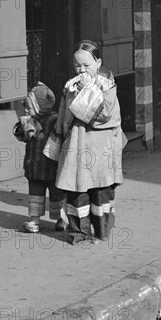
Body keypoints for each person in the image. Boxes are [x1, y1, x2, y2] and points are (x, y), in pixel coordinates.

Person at [54, 40, 124, 245]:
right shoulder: (71, 85)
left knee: (101, 191)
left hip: (101, 147)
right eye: (77, 65)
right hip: (77, 145)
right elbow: (63, 116)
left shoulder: (107, 84)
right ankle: (79, 234)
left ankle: (101, 230)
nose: (81, 69)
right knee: (77, 190)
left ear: (98, 62)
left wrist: (87, 91)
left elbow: (105, 115)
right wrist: (58, 138)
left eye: (87, 65)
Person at [14, 82, 66, 233]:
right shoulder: (29, 120)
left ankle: (61, 219)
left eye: (29, 107)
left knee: (57, 195)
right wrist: (22, 128)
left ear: (40, 107)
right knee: (35, 195)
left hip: (52, 167)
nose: (26, 109)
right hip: (34, 167)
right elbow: (23, 138)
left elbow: (60, 136)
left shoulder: (53, 120)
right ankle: (34, 221)